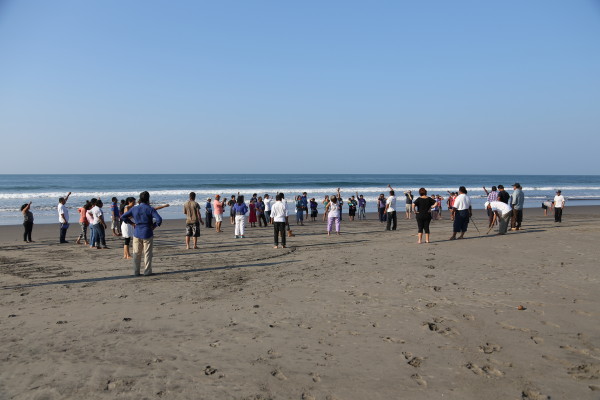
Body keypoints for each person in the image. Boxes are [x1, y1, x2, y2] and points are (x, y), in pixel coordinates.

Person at [120, 191, 163, 276]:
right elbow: (159, 219)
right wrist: (154, 226)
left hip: (137, 232)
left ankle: (136, 271)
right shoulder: (150, 208)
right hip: (147, 232)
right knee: (147, 253)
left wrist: (131, 223)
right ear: (148, 199)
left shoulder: (135, 208)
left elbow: (123, 216)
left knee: (136, 253)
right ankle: (147, 271)